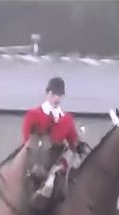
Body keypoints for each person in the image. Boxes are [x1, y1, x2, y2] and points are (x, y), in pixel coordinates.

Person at [22, 76, 83, 205]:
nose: (57, 98)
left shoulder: (67, 119)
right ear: (48, 93)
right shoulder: (33, 115)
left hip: (57, 164)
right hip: (36, 160)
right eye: (54, 94)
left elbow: (73, 143)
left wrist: (76, 152)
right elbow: (27, 140)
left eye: (60, 95)